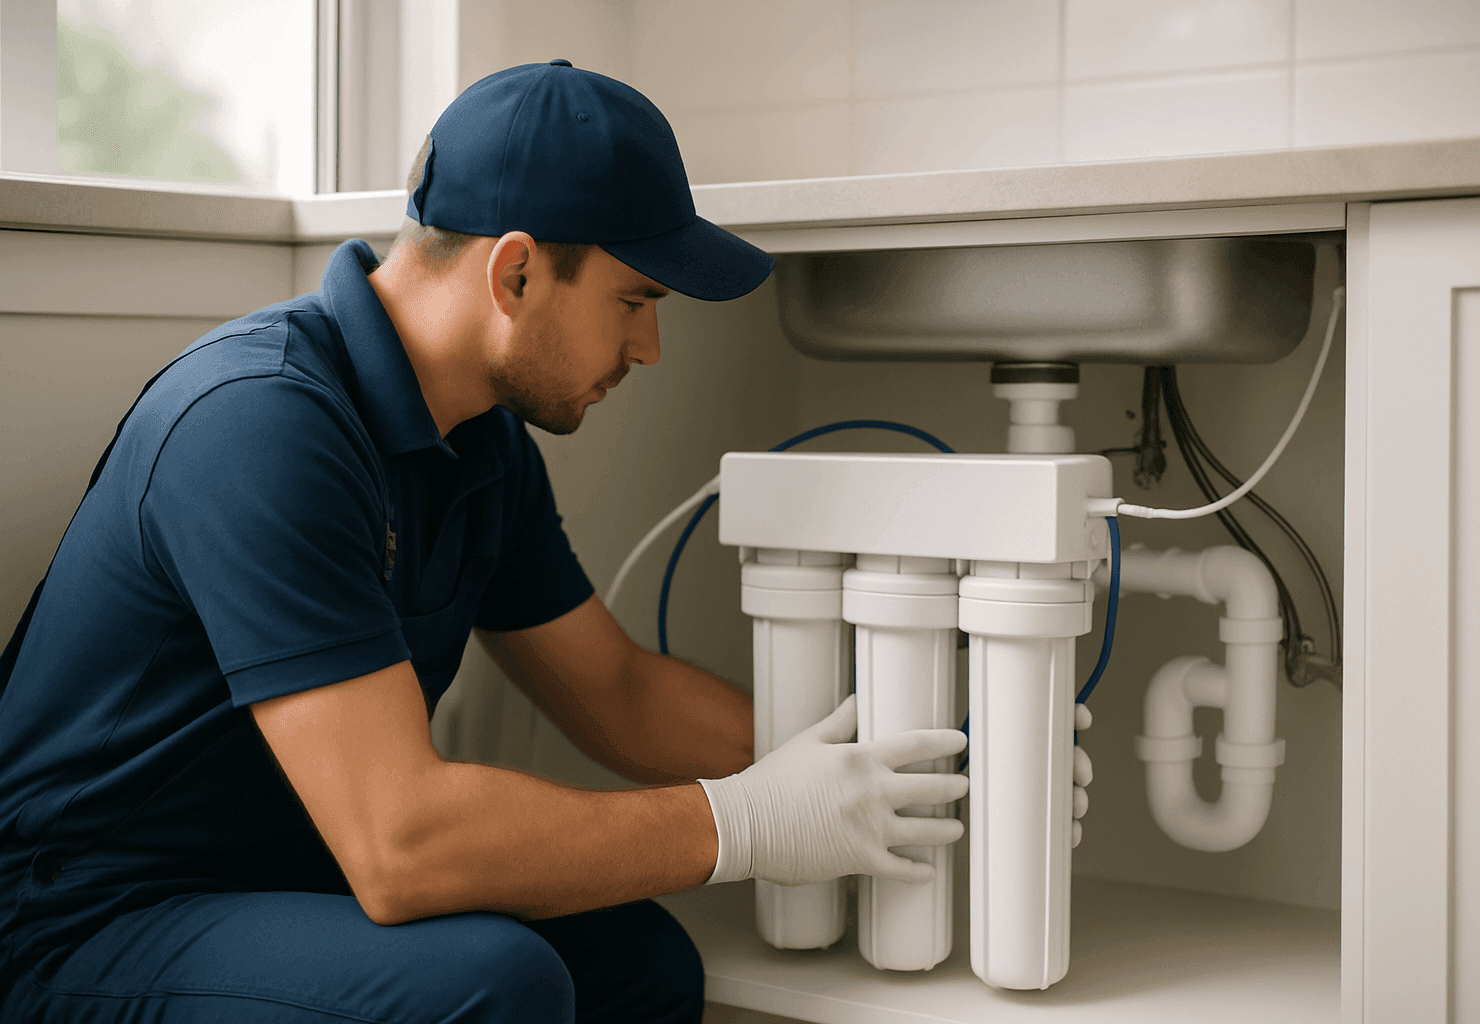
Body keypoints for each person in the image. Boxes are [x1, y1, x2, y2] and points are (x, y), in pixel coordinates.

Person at [0, 61, 974, 1024]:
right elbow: (401, 844)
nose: (649, 348)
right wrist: (747, 823)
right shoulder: (260, 424)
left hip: (286, 872)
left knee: (642, 963)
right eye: (635, 300)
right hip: (85, 917)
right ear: (514, 271)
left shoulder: (483, 444)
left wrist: (921, 765)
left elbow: (620, 694)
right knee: (496, 983)